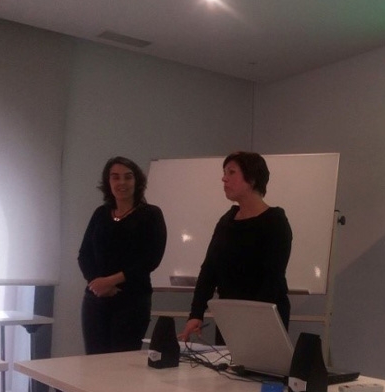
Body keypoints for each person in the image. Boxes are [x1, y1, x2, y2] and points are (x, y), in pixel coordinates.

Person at [179, 151, 293, 342]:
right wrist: (196, 313)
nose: (224, 179)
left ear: (252, 179)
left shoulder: (275, 221)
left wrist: (248, 320)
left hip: (263, 317)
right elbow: (209, 270)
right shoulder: (227, 220)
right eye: (224, 173)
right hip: (229, 315)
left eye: (231, 172)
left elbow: (272, 278)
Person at [77, 156, 167, 354]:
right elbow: (84, 254)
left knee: (121, 364)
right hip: (95, 300)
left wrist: (110, 281)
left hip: (132, 301)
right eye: (115, 177)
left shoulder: (151, 214)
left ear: (137, 181)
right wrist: (96, 284)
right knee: (93, 363)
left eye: (128, 177)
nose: (122, 182)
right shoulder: (100, 213)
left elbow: (151, 259)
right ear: (108, 182)